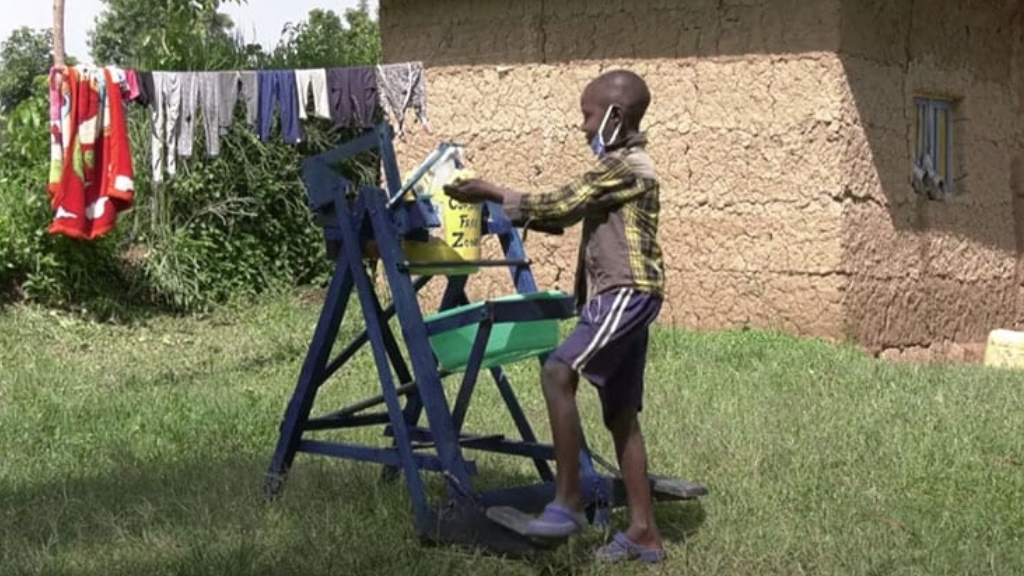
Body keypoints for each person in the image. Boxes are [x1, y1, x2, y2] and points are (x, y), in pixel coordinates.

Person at [444, 69, 667, 563]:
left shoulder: (624, 167)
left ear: (614, 116)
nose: (583, 127)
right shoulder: (622, 168)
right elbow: (566, 216)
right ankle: (644, 533)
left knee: (557, 370)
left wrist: (490, 190)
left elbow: (563, 204)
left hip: (624, 295)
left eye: (588, 116)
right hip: (626, 296)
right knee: (619, 412)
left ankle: (566, 502)